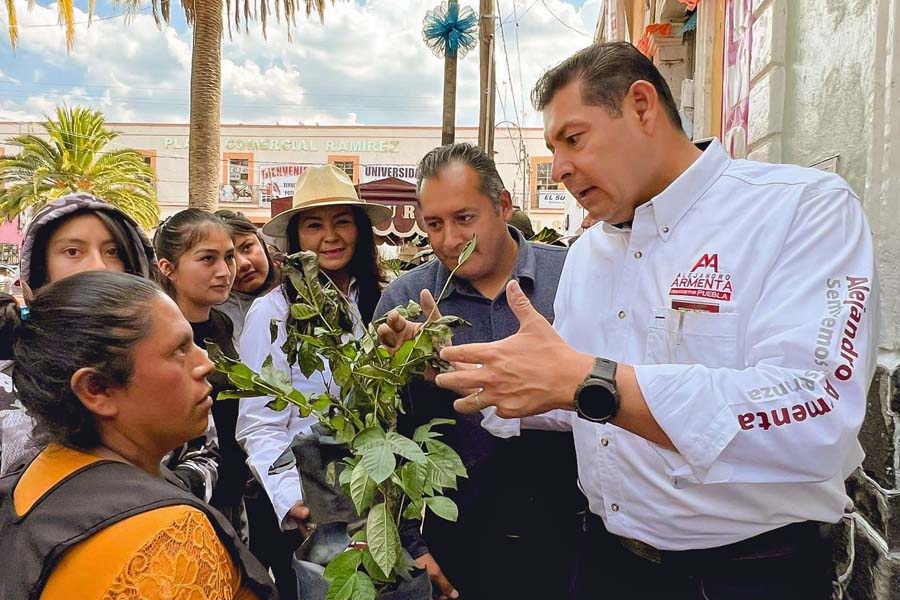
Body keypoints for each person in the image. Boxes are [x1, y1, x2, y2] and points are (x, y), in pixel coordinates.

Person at [431, 42, 878, 599]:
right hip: (605, 562)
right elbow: (581, 402)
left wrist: (590, 383)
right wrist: (476, 372)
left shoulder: (799, 210)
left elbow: (817, 415)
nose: (561, 167)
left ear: (642, 106)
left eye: (573, 138)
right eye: (553, 148)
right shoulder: (589, 253)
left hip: (748, 572)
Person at [375, 143, 583, 600]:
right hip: (455, 546)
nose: (450, 240)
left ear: (503, 206)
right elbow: (380, 438)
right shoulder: (402, 304)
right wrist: (412, 546)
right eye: (434, 224)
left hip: (577, 541)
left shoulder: (576, 277)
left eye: (465, 219)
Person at [0, 271, 276, 599]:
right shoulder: (168, 540)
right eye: (180, 350)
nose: (206, 364)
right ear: (97, 389)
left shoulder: (30, 483)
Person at [0, 193, 219, 501]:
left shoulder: (171, 368)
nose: (98, 265)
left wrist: (157, 501)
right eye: (73, 251)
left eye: (113, 251)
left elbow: (204, 456)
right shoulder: (9, 384)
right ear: (38, 271)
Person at [236, 164, 391, 599]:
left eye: (343, 221)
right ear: (296, 238)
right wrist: (292, 500)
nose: (330, 237)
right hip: (315, 497)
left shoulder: (383, 298)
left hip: (382, 493)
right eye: (315, 225)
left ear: (360, 229)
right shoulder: (274, 312)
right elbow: (259, 423)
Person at [154, 208, 249, 535]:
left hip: (234, 494)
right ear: (168, 268)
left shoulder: (221, 323)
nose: (225, 271)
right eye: (207, 259)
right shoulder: (154, 335)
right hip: (184, 501)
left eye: (229, 257)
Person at [215, 210, 282, 349]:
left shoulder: (302, 290)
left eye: (247, 247)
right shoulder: (216, 318)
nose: (243, 264)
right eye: (229, 257)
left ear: (262, 244)